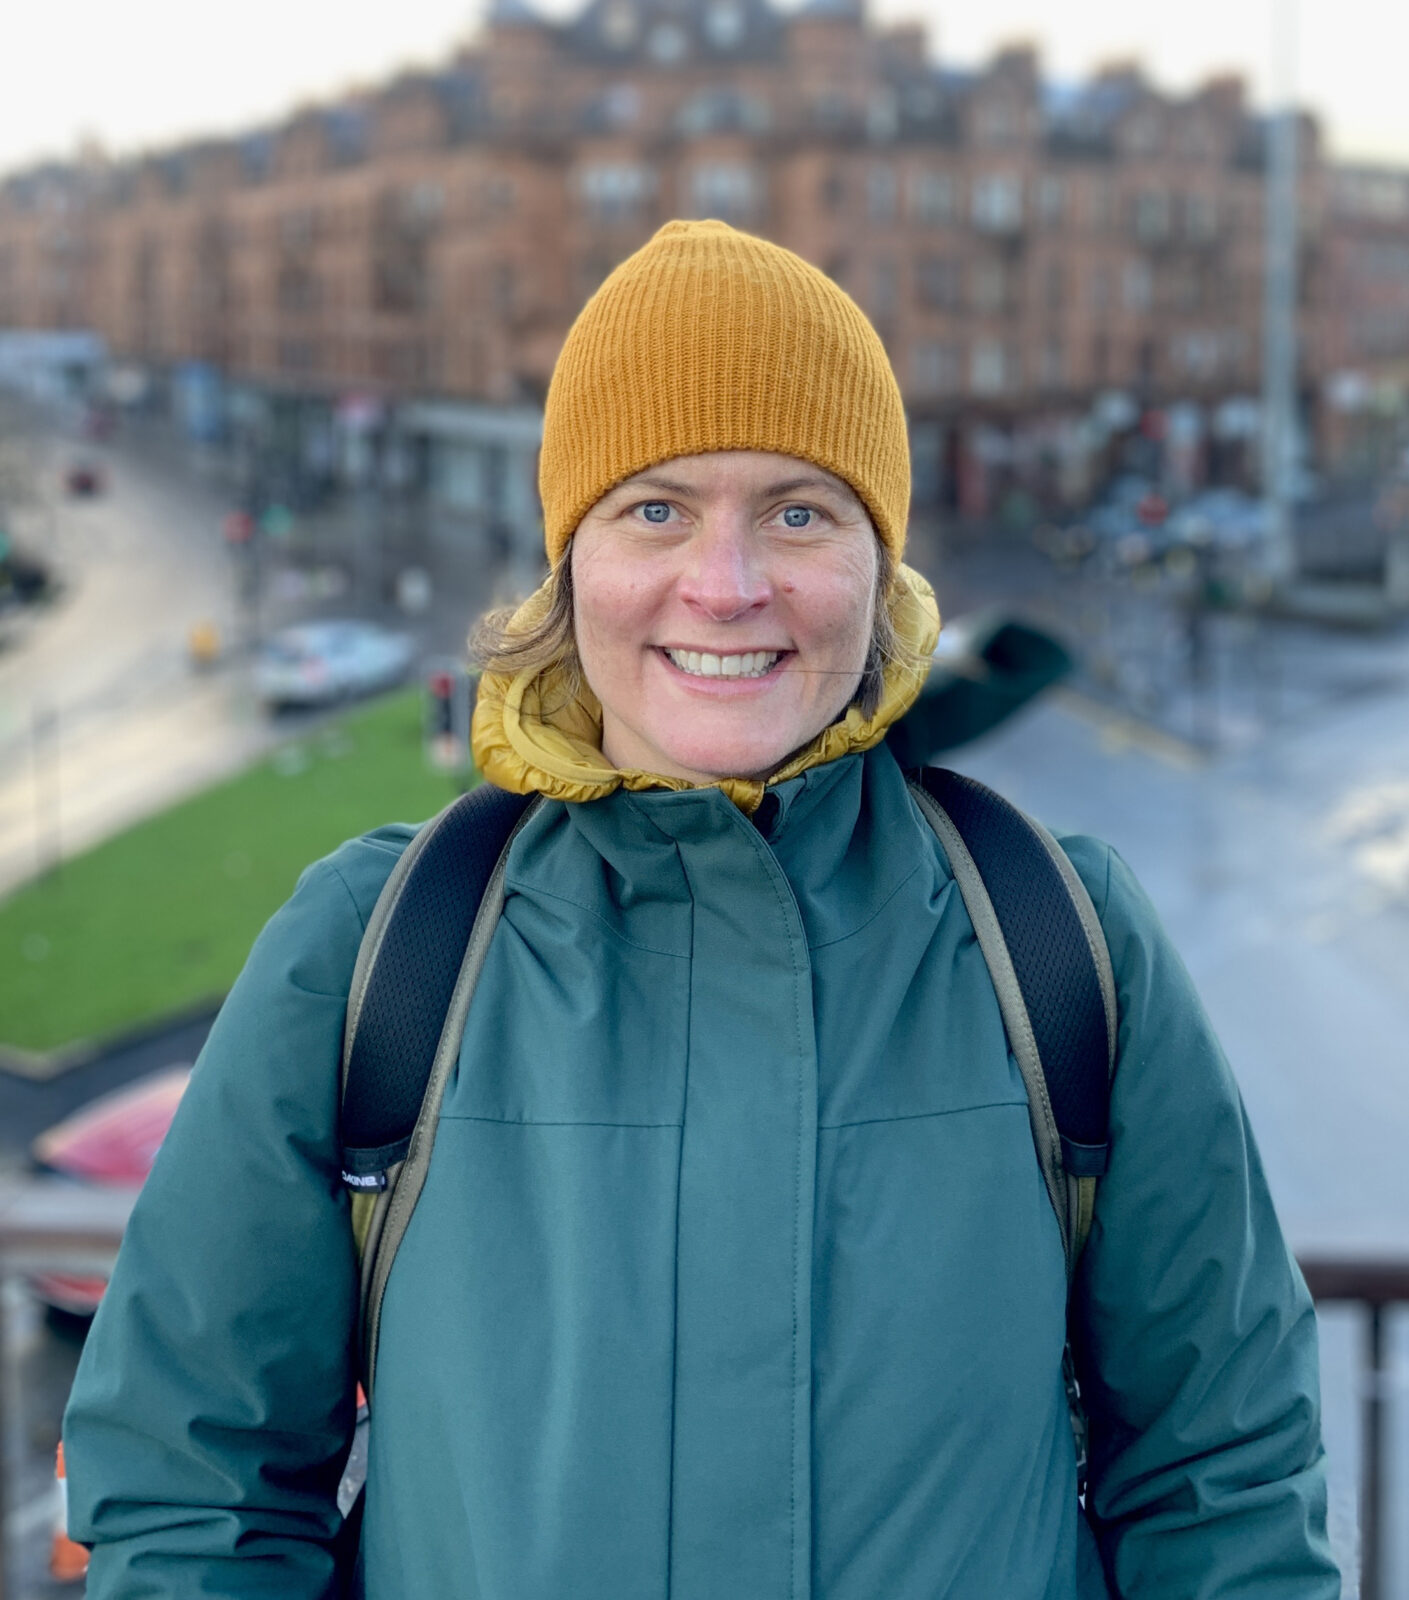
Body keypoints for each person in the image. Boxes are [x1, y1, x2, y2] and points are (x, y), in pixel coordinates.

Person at [64, 220, 1339, 1598]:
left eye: (799, 510)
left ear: (878, 562)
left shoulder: (1063, 943)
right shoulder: (376, 951)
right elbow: (195, 1487)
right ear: (569, 563)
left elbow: (1223, 1485)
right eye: (653, 508)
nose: (724, 587)